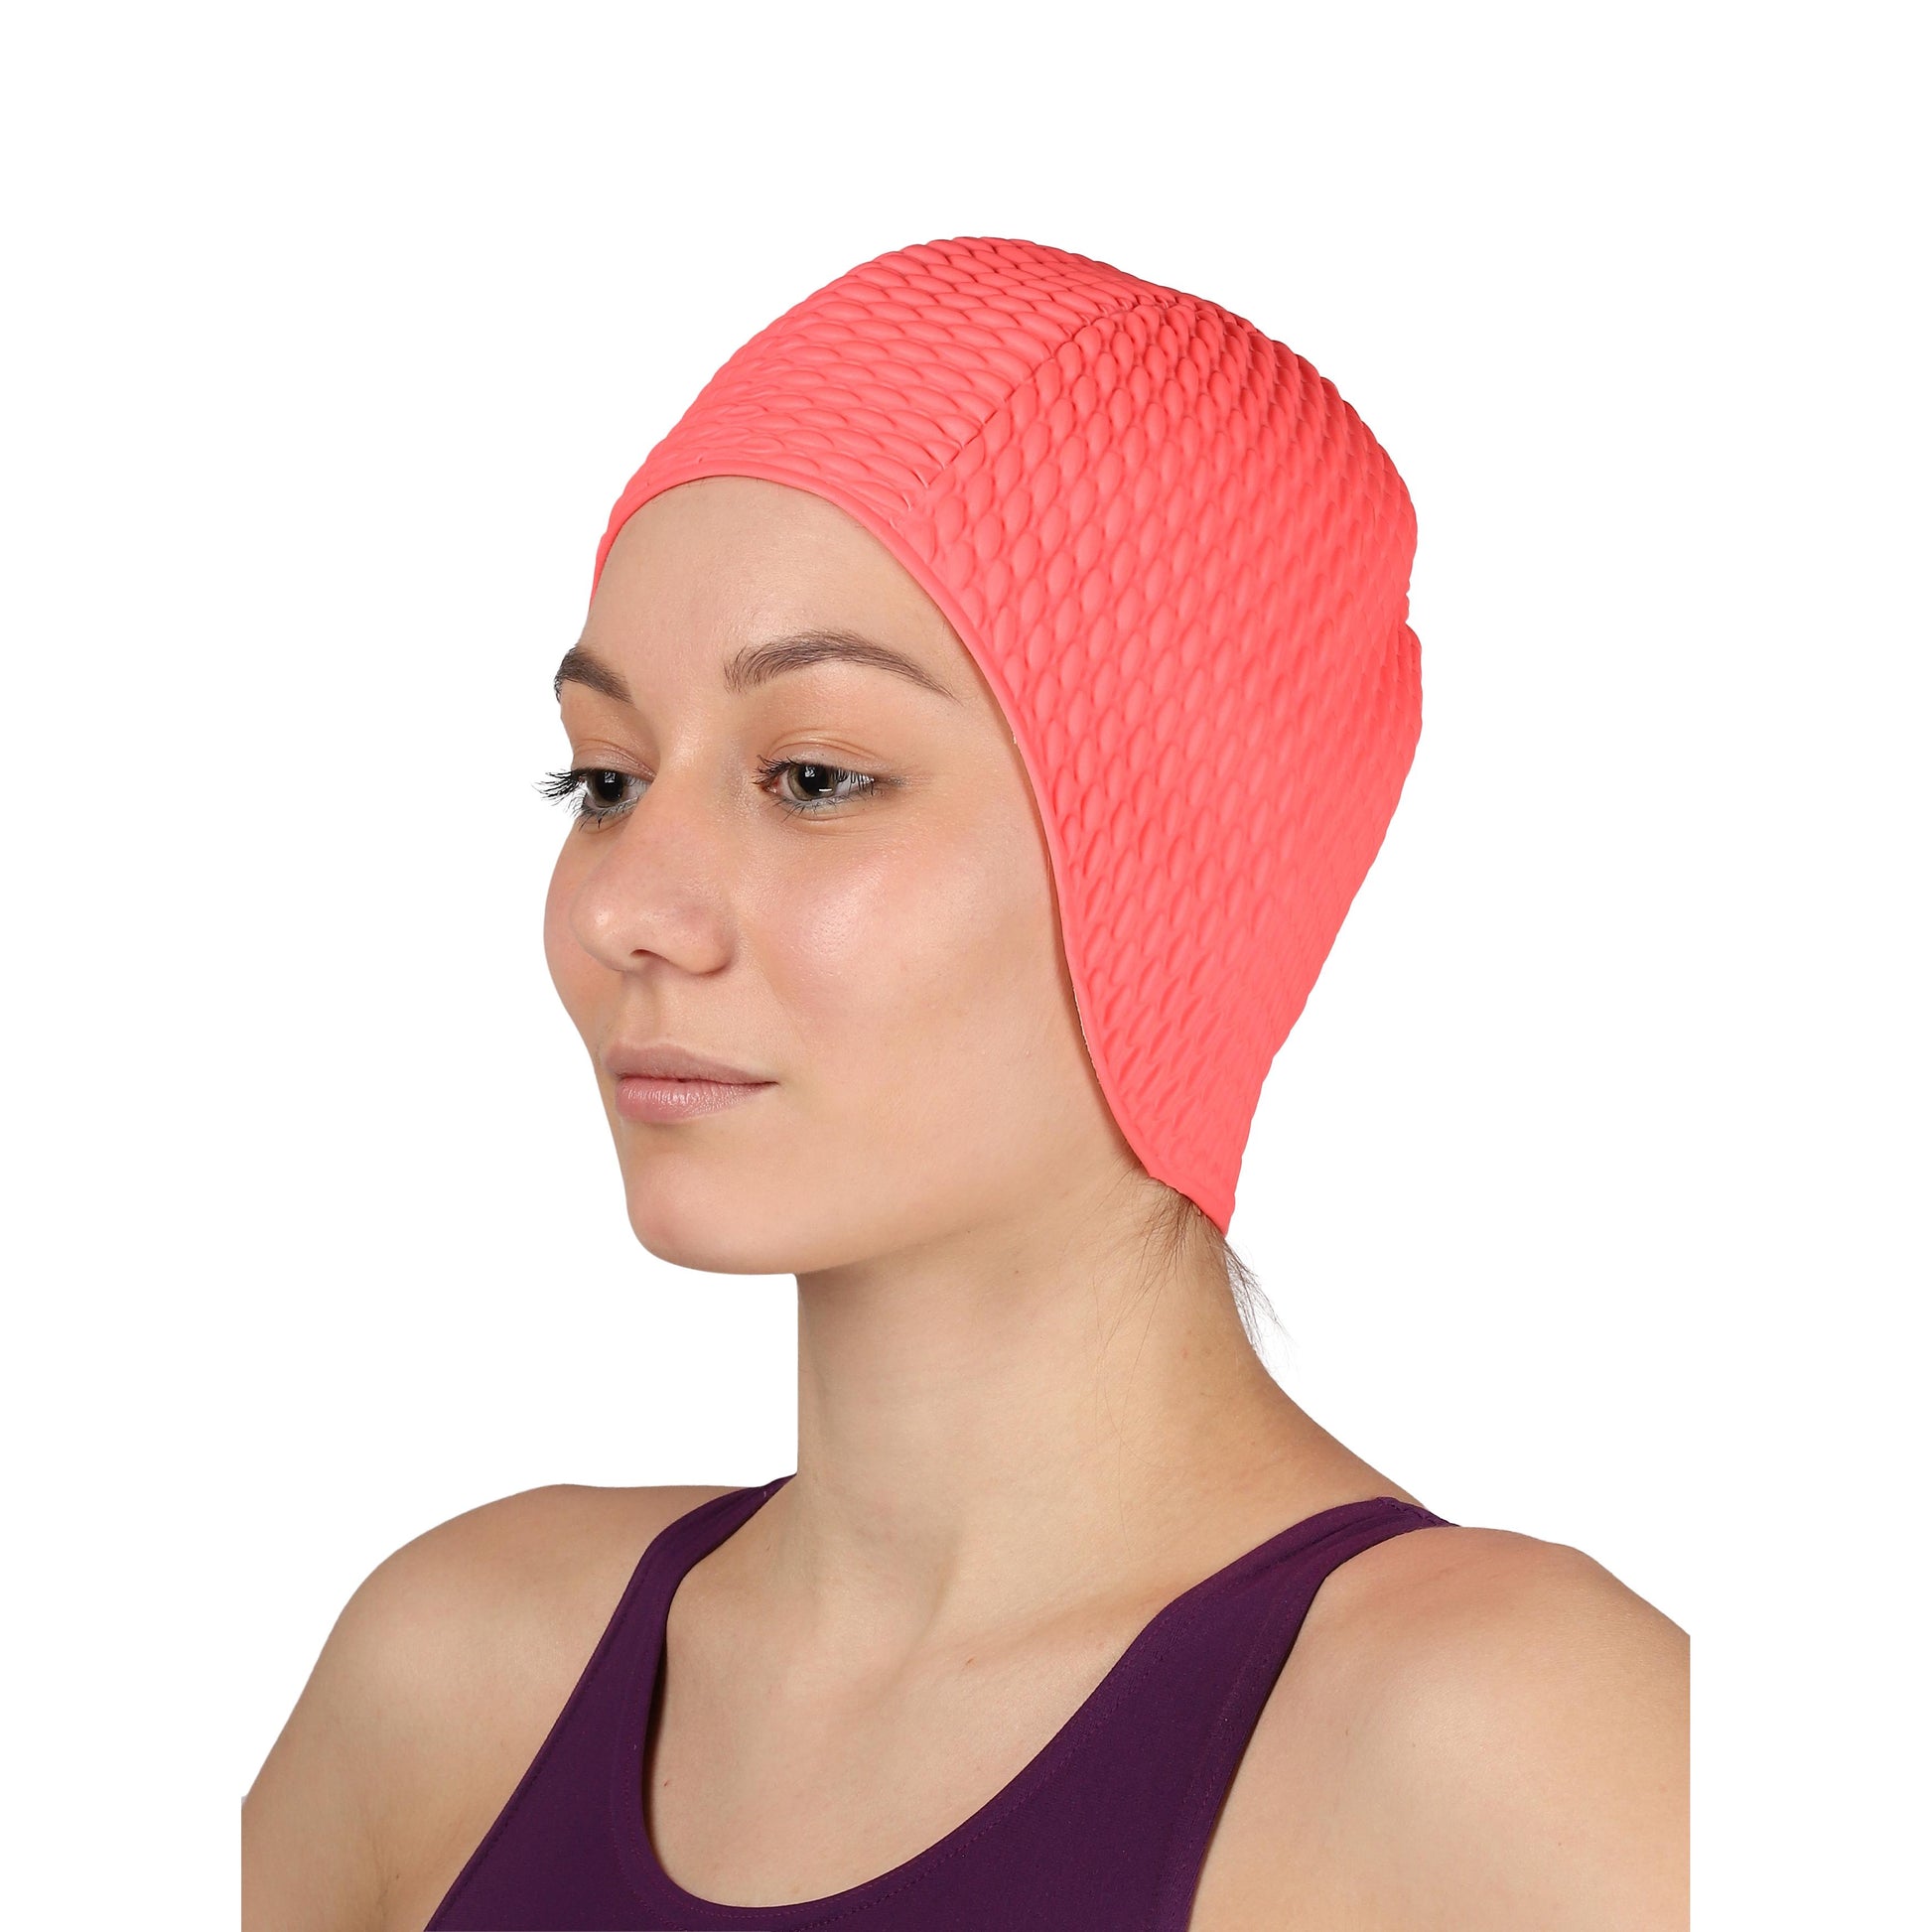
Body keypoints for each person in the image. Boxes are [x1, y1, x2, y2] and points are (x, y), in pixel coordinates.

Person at [241, 236, 1688, 1931]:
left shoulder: (1517, 1752)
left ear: (1171, 865)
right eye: (607, 779)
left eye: (812, 774)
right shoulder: (455, 1678)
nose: (627, 906)